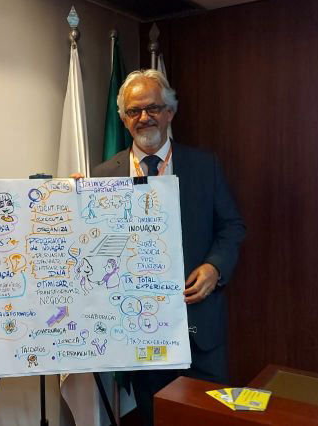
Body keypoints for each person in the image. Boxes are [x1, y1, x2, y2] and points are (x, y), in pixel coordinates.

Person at [92, 69, 246, 426]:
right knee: (153, 419)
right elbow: (94, 244)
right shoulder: (101, 176)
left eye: (153, 108)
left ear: (170, 113)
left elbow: (232, 226)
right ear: (124, 119)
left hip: (199, 329)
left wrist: (215, 267)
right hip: (138, 332)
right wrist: (72, 202)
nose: (144, 117)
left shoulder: (204, 165)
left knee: (208, 420)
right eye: (134, 111)